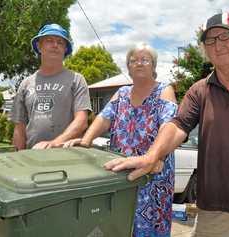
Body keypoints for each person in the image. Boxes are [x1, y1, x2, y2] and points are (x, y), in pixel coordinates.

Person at [104, 12, 229, 237]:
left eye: (225, 36)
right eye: (210, 40)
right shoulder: (199, 91)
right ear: (205, 49)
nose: (218, 45)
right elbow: (177, 126)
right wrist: (151, 156)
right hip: (212, 211)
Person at [64, 43, 177, 237]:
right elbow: (103, 118)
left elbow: (170, 127)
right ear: (128, 67)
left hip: (152, 176)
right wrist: (85, 141)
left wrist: (156, 157)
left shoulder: (165, 91)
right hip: (120, 176)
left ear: (154, 66)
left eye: (145, 59)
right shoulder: (122, 93)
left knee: (149, 230)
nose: (139, 63)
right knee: (117, 227)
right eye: (133, 60)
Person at [11, 23, 91, 150]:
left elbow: (81, 122)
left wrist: (54, 143)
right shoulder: (25, 84)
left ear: (65, 49)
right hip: (32, 157)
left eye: (60, 42)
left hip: (69, 158)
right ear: (39, 46)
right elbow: (19, 128)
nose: (55, 45)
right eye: (49, 40)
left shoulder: (76, 80)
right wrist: (18, 158)